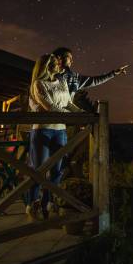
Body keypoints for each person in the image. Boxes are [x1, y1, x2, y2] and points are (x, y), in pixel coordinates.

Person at [27, 53, 82, 219]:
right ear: (45, 66)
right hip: (43, 130)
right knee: (39, 171)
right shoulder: (38, 84)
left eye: (57, 63)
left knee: (57, 171)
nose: (58, 66)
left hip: (60, 130)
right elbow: (50, 107)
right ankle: (33, 203)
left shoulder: (62, 81)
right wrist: (72, 116)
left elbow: (68, 104)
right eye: (54, 63)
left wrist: (83, 113)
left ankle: (48, 203)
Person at [51, 47, 129, 100]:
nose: (72, 61)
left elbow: (94, 81)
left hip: (65, 118)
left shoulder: (74, 77)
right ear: (59, 58)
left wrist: (113, 73)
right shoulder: (46, 75)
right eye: (69, 58)